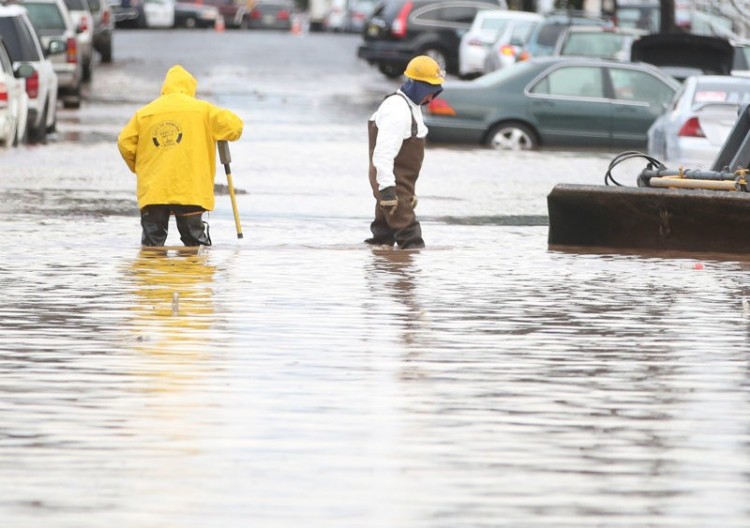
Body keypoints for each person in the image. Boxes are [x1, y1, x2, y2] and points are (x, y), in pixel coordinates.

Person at [117, 65, 244, 247]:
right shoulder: (204, 111)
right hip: (190, 190)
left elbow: (124, 142)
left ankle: (152, 275)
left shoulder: (144, 114)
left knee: (152, 246)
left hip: (154, 190)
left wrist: (140, 169)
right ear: (190, 88)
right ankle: (192, 274)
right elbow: (235, 127)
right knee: (195, 245)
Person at [366, 55, 444, 250]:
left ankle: (381, 274)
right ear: (420, 87)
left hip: (399, 186)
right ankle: (407, 279)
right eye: (431, 91)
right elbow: (382, 154)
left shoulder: (411, 106)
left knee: (382, 239)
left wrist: (410, 192)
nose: (431, 97)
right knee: (412, 240)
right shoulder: (397, 110)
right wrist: (388, 191)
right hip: (391, 185)